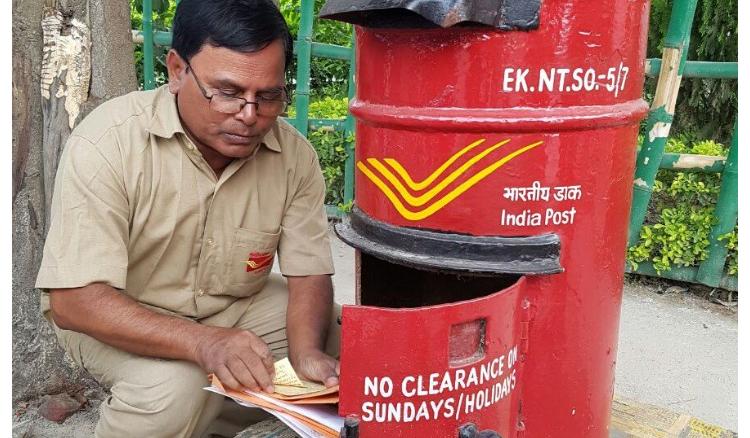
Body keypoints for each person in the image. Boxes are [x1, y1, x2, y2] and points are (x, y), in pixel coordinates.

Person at [35, 0, 340, 436]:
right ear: (177, 70)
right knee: (173, 389)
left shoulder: (293, 156)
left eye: (268, 96)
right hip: (116, 315)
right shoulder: (108, 142)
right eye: (228, 93)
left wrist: (307, 351)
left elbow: (309, 271)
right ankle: (187, 410)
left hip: (230, 308)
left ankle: (205, 421)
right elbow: (74, 302)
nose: (250, 116)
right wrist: (203, 343)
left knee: (339, 337)